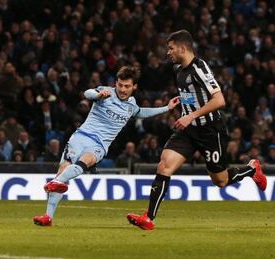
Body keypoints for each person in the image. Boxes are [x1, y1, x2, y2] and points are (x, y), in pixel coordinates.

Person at [126, 30, 267, 231]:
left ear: (183, 48)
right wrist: (182, 104)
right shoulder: (179, 70)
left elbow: (220, 100)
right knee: (164, 165)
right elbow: (194, 95)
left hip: (210, 130)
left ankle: (252, 169)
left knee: (220, 180)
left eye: (171, 48)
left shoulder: (200, 68)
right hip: (188, 130)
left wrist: (191, 115)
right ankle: (149, 218)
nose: (168, 52)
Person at [33, 66, 181, 226]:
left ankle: (58, 182)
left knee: (86, 160)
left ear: (134, 87)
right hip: (80, 137)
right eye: (120, 85)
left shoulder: (131, 105)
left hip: (99, 144)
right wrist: (98, 95)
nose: (122, 89)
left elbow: (142, 112)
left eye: (127, 86)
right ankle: (48, 216)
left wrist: (167, 108)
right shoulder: (106, 92)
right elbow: (87, 93)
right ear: (115, 83)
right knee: (63, 169)